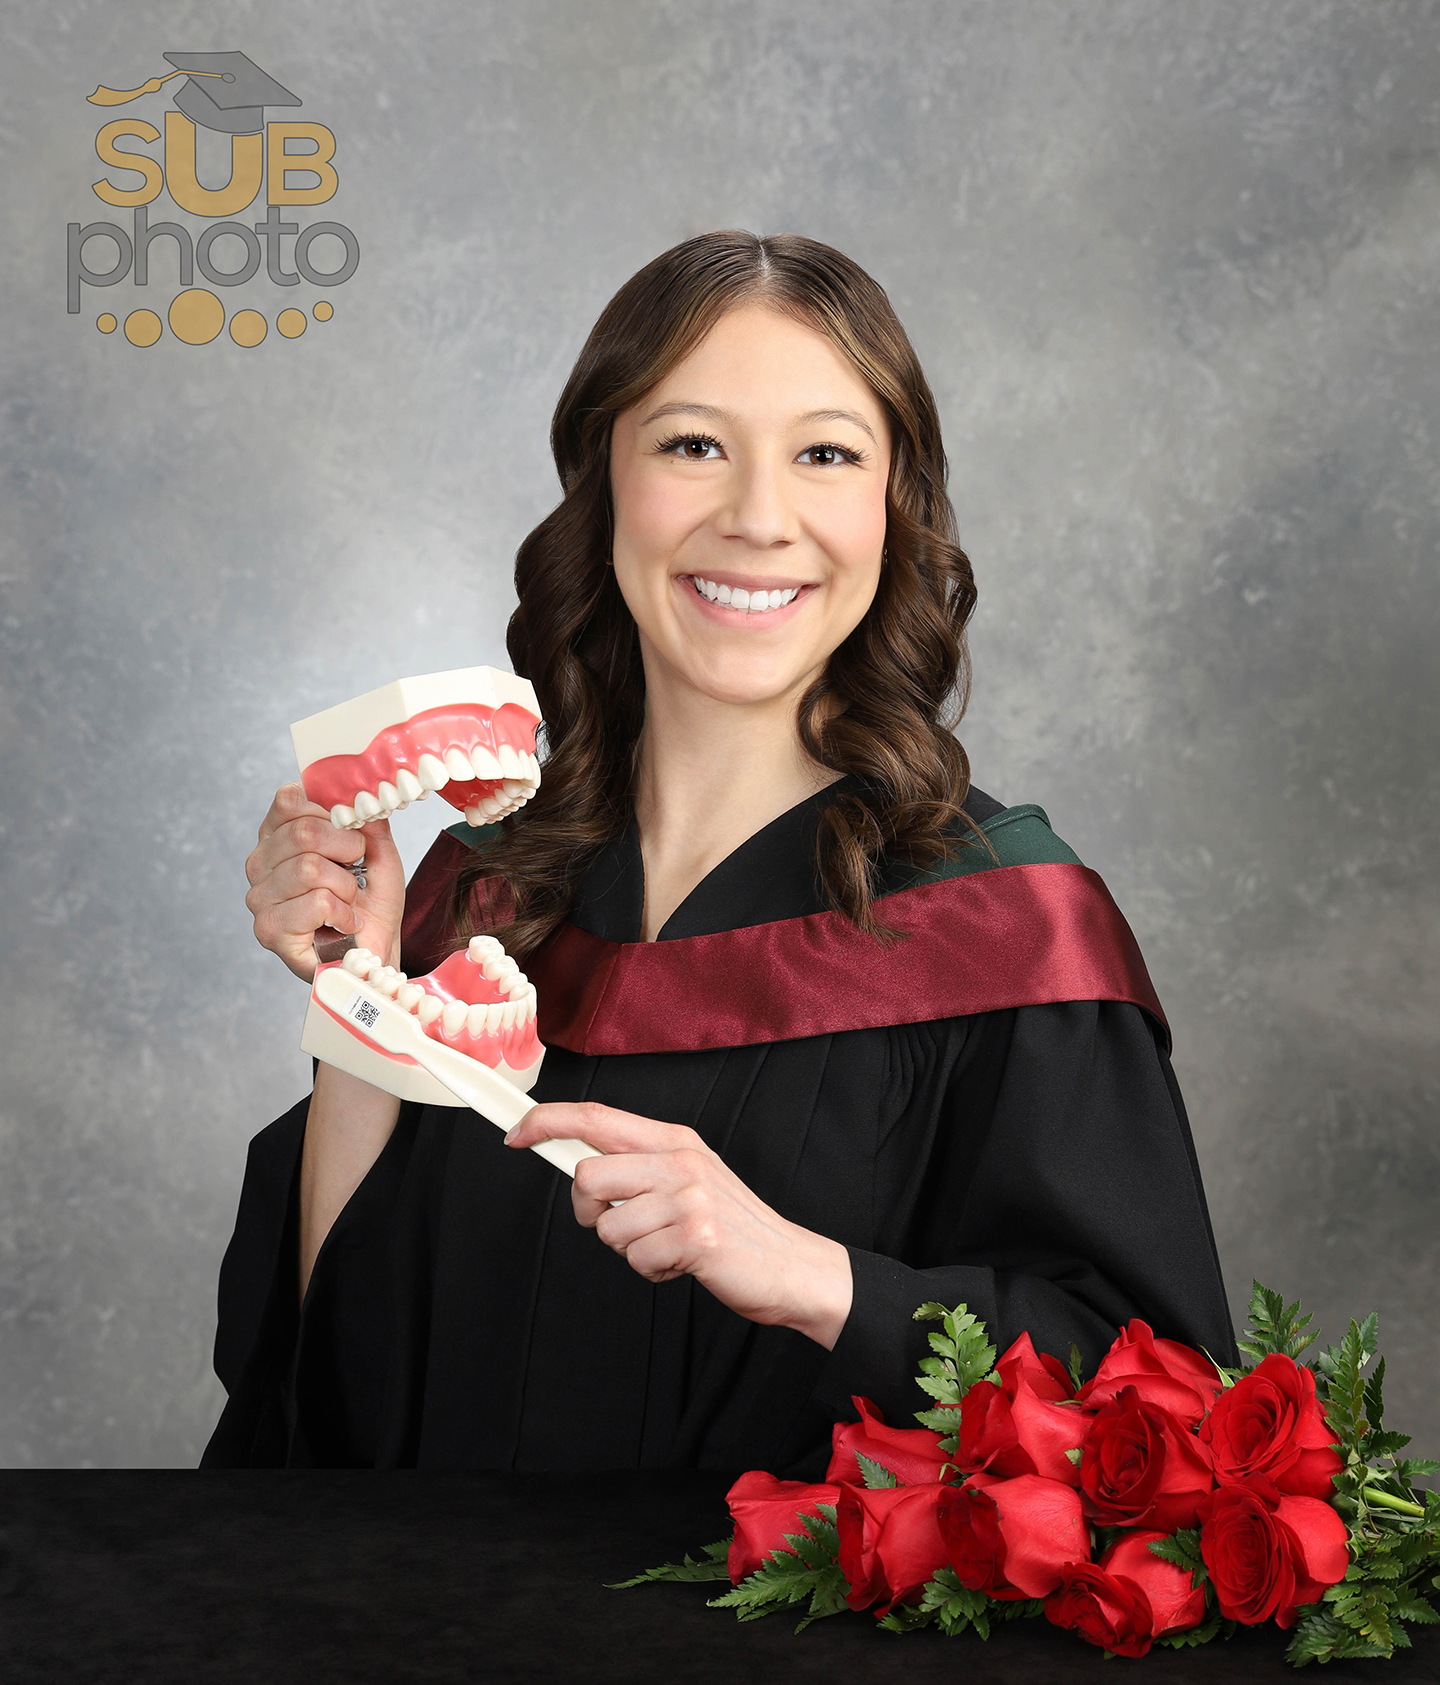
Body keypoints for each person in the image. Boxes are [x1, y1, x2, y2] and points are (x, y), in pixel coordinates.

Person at [204, 231, 1235, 1471]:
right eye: (694, 445)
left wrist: (812, 1277)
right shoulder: (488, 893)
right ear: (608, 480)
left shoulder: (1009, 928)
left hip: (806, 1665)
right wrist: (360, 1001)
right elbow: (341, 1393)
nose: (758, 518)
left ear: (890, 505)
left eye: (825, 454)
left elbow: (1157, 1417)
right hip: (455, 1646)